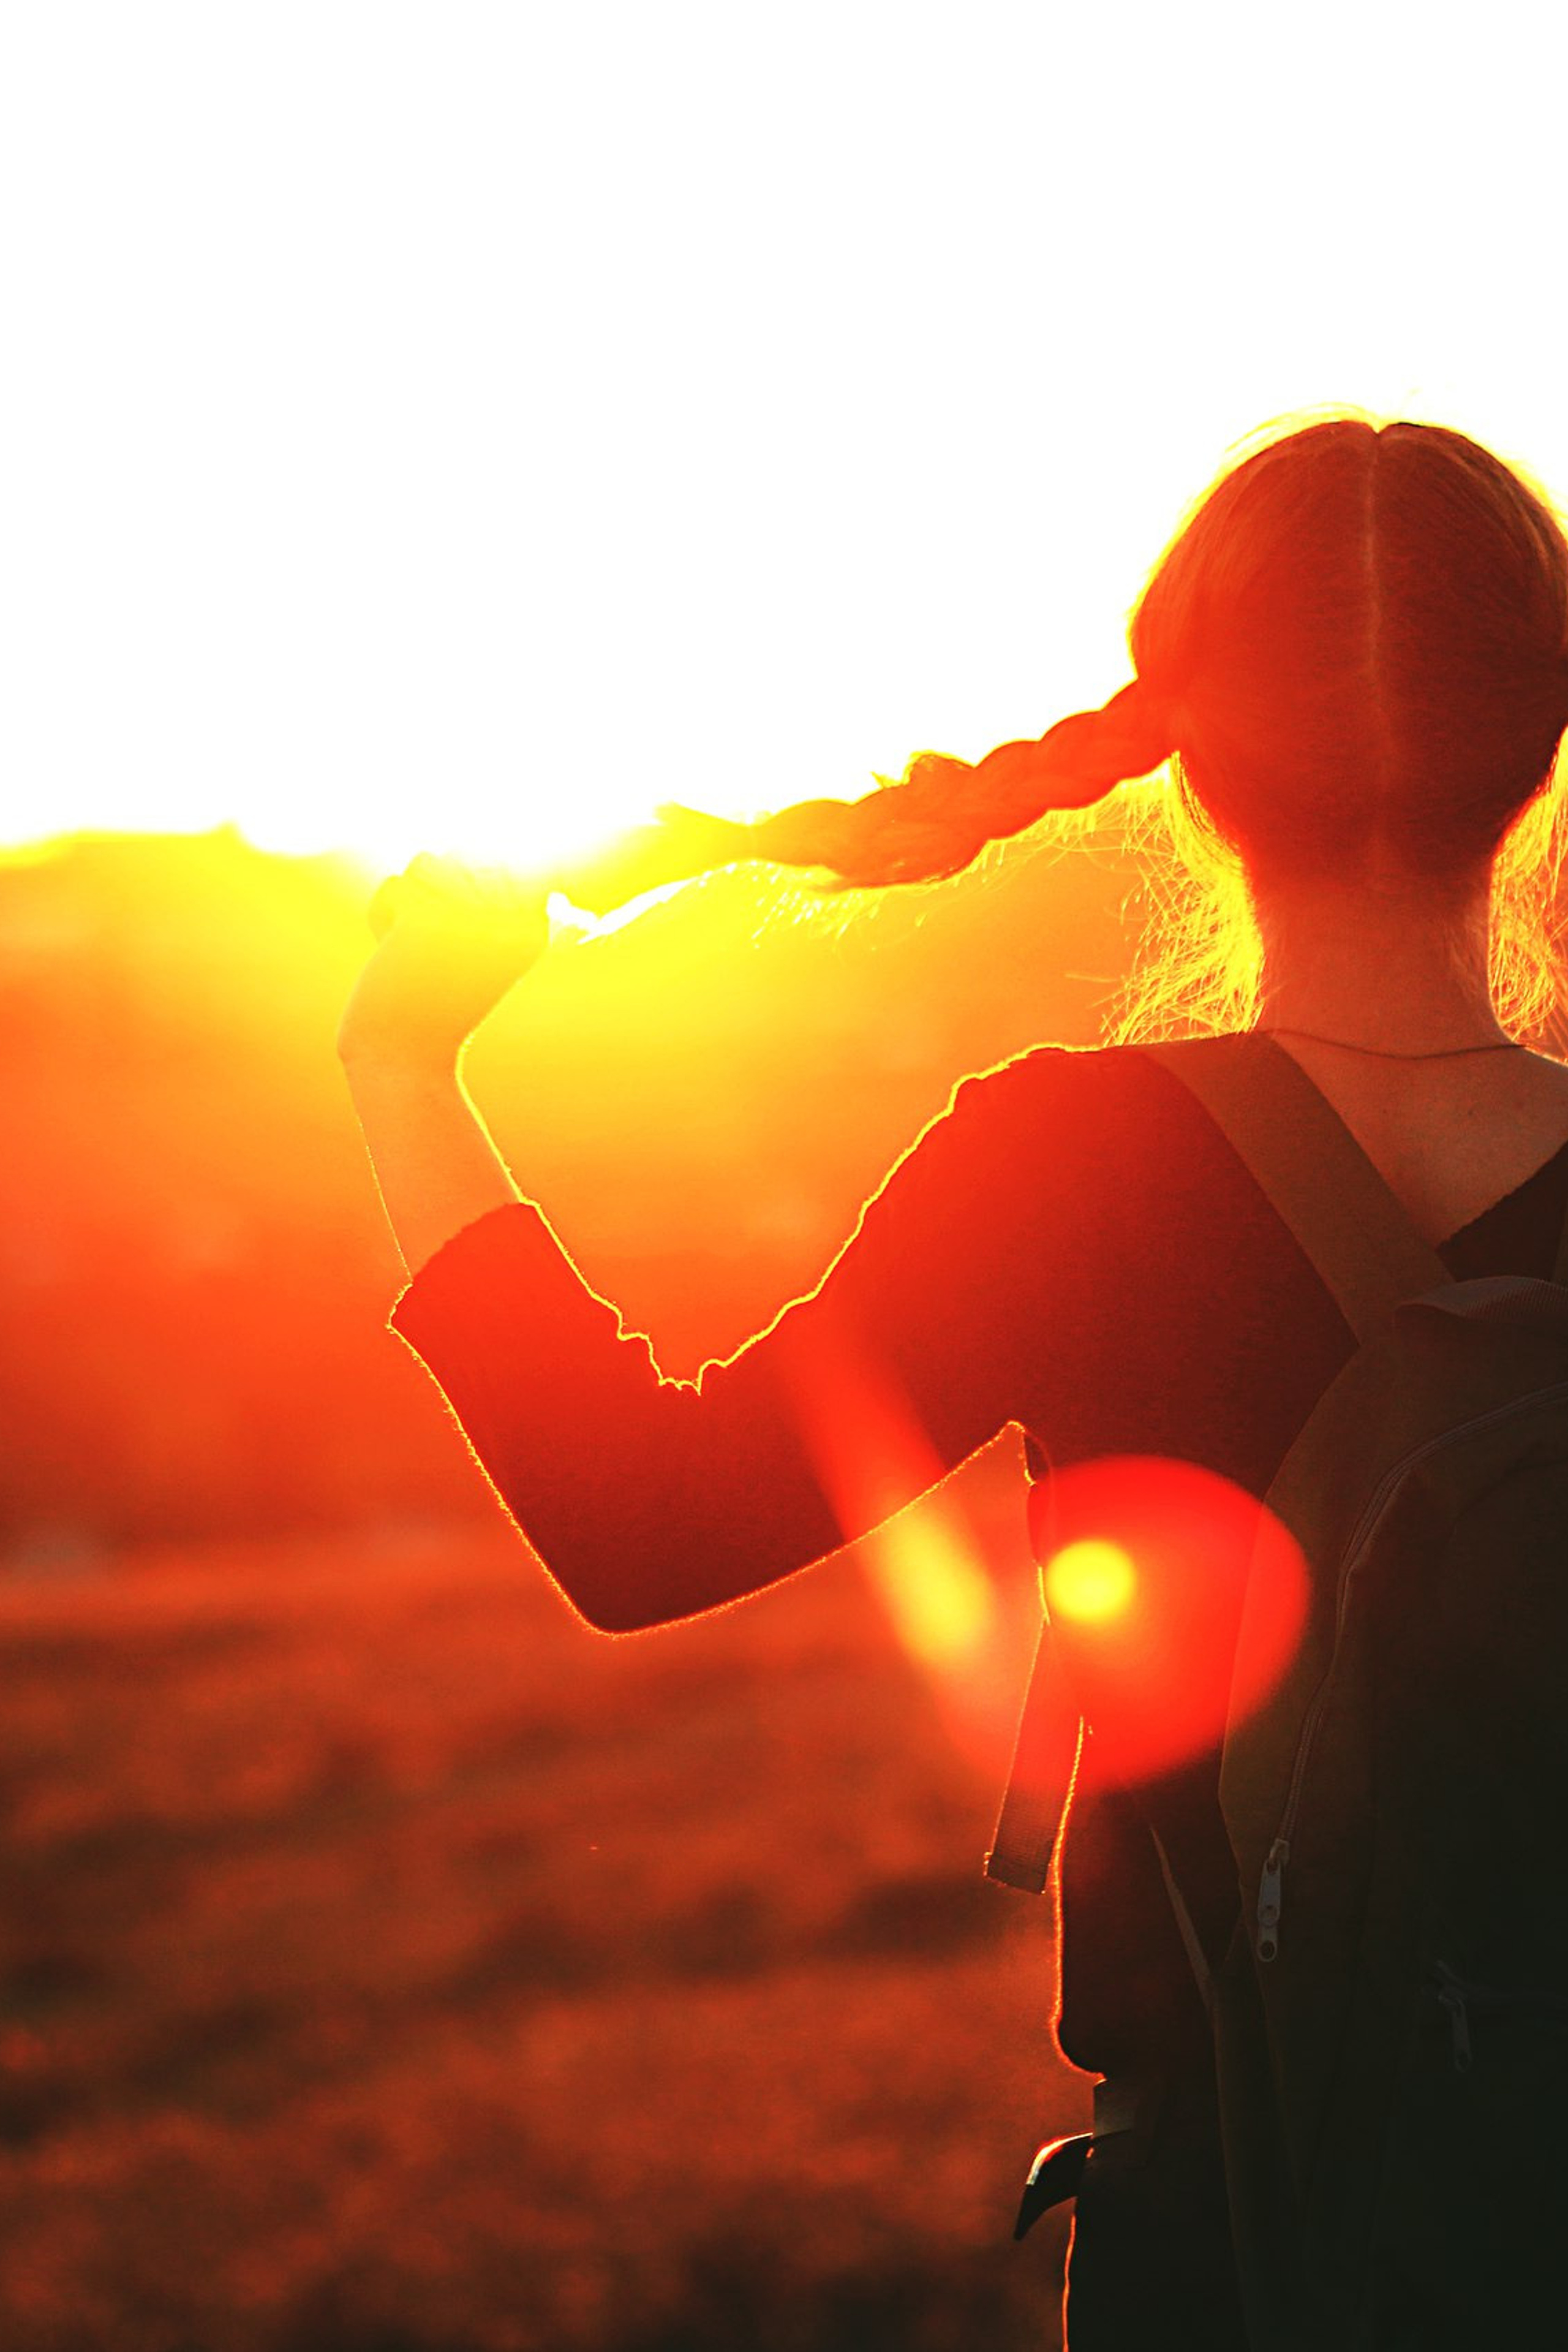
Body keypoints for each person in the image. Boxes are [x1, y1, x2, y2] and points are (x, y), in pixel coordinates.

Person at [337, 414, 1568, 2347]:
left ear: (1192, 760)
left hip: (1234, 2251)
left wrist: (407, 1078)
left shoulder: (1073, 1169)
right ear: (1535, 749)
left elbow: (640, 1523)